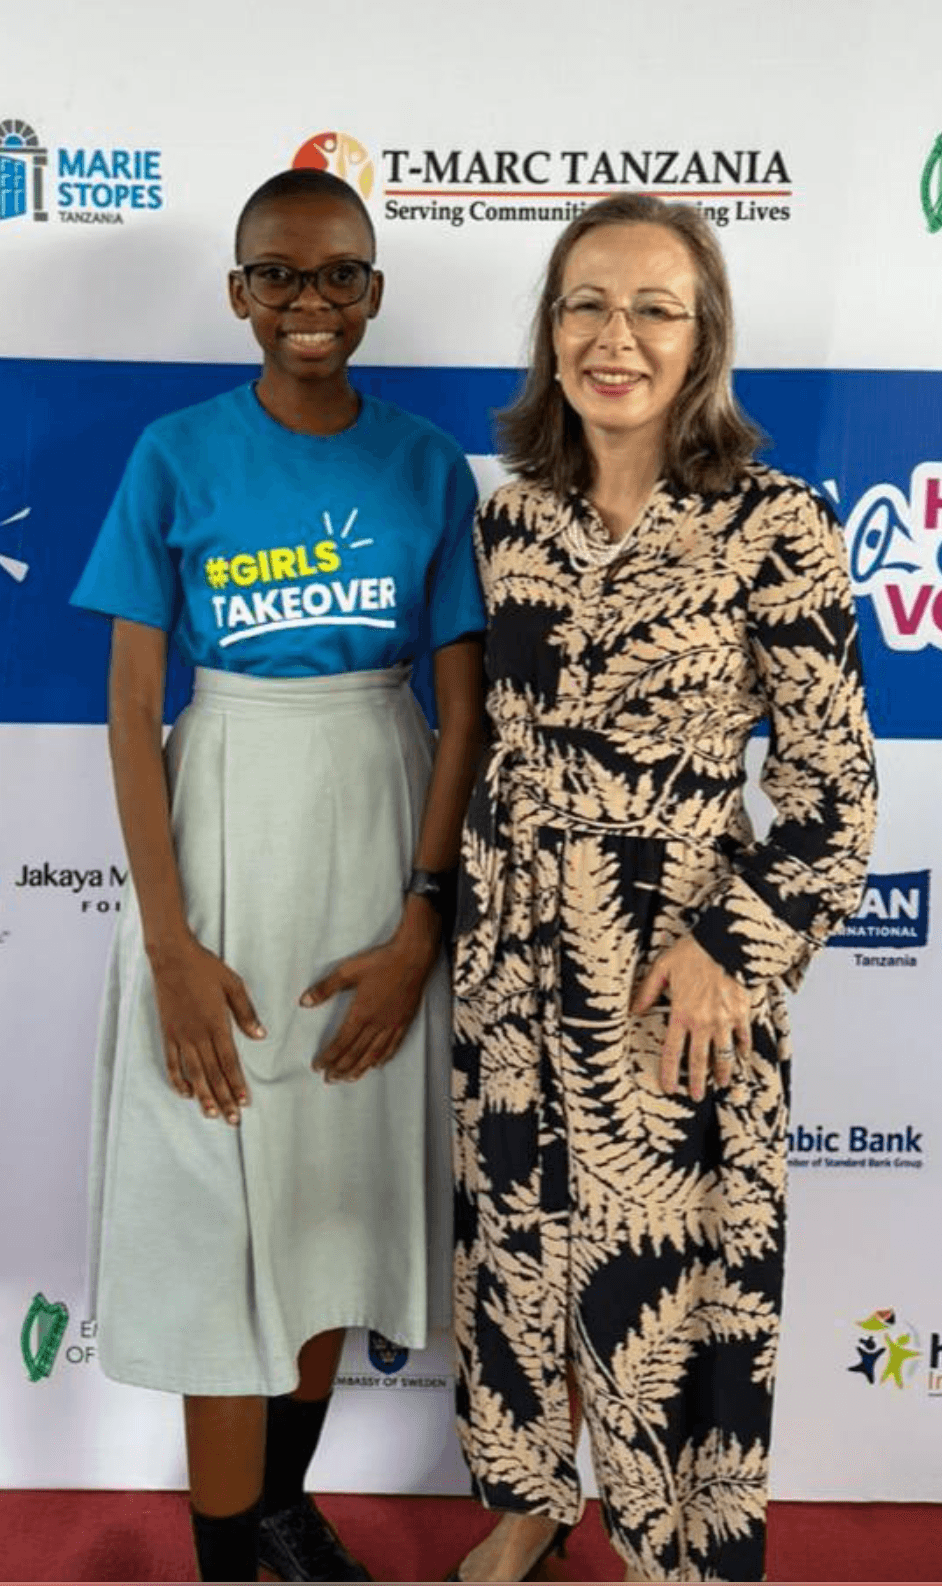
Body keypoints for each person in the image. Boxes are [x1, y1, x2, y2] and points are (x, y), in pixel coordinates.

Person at [448, 193, 877, 1583]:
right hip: (514, 959)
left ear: (704, 339)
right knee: (514, 1256)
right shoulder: (511, 520)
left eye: (653, 306)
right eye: (585, 302)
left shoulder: (778, 526)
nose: (613, 335)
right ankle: (527, 1495)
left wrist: (732, 951)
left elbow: (834, 793)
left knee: (670, 1287)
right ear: (550, 328)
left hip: (670, 970)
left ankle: (668, 1546)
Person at [70, 168, 484, 1582]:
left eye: (339, 276)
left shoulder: (429, 465)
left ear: (375, 291)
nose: (310, 303)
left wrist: (421, 924)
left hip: (375, 834)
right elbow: (132, 709)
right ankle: (226, 1549)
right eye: (279, 276)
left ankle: (281, 1512)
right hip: (225, 833)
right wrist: (173, 949)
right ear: (239, 290)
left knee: (328, 1197)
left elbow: (466, 707)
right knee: (215, 1206)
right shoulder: (174, 456)